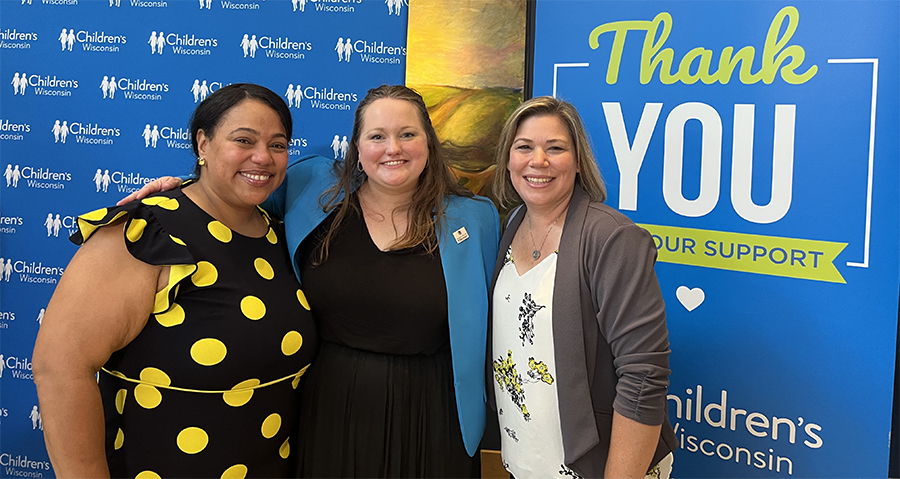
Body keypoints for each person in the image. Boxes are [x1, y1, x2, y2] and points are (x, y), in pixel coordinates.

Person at [119, 85, 500, 477]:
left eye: (407, 134)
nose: (393, 148)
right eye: (377, 136)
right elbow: (234, 192)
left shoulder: (476, 219)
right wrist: (182, 189)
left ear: (428, 143)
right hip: (328, 406)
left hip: (434, 415)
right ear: (356, 146)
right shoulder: (312, 185)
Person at [33, 84, 317, 478]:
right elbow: (60, 367)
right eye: (243, 140)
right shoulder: (148, 230)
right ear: (203, 143)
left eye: (278, 144)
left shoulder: (281, 234)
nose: (262, 157)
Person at [489, 96, 676, 479]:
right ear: (508, 159)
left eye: (555, 148)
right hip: (525, 461)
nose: (537, 161)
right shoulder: (513, 223)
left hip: (595, 466)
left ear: (577, 161)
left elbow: (644, 374)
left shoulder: (612, 238)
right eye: (524, 147)